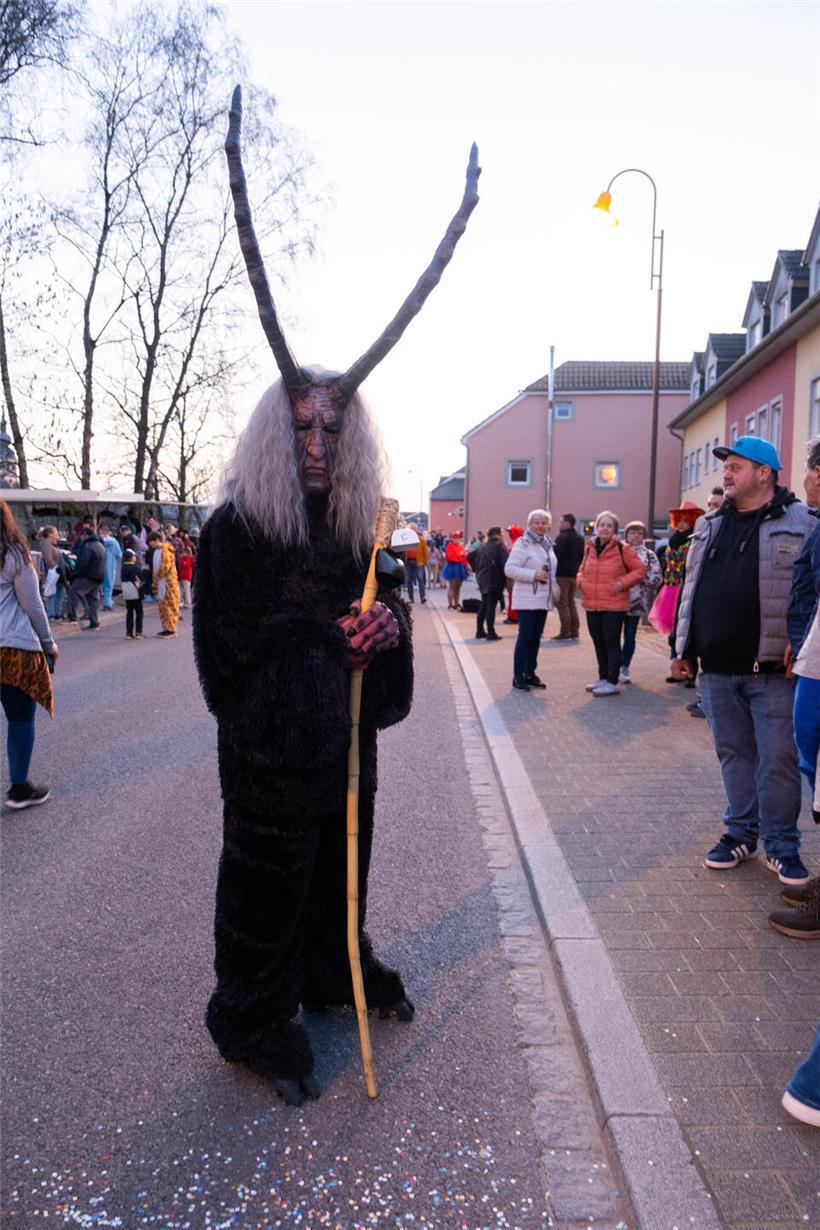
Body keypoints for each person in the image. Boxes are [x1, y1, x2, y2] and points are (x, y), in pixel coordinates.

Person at [193, 374, 414, 1102]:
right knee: (265, 890)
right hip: (271, 758)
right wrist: (331, 648)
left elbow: (389, 613)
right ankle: (252, 1017)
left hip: (350, 750)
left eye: (332, 432)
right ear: (272, 437)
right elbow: (228, 664)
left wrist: (385, 632)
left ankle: (333, 971)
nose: (317, 447)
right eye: (300, 430)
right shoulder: (235, 532)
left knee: (343, 879)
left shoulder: (359, 530)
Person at [670, 436, 815, 886]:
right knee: (733, 754)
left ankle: (781, 845)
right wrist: (683, 650)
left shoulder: (805, 522)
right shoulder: (709, 525)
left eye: (736, 466)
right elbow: (690, 590)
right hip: (715, 667)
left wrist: (805, 641)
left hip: (774, 668)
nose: (726, 473)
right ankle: (740, 833)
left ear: (765, 473)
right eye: (725, 466)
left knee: (778, 759)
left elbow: (813, 591)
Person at [1, 501, 57, 808]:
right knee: (20, 718)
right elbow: (32, 605)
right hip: (12, 648)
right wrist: (48, 643)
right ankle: (19, 788)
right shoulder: (12, 554)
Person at [576, 511, 645, 697]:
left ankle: (613, 681)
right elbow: (581, 570)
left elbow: (640, 570)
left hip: (614, 605)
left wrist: (622, 583)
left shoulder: (623, 549)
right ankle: (603, 677)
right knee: (598, 642)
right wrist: (581, 582)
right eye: (601, 525)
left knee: (611, 642)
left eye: (609, 526)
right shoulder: (589, 547)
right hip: (592, 603)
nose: (604, 528)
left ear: (614, 529)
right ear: (597, 527)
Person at [504, 508, 559, 691]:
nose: (540, 526)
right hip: (527, 598)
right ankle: (518, 675)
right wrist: (534, 574)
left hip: (543, 598)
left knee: (536, 637)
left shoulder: (547, 544)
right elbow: (510, 569)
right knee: (525, 637)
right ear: (530, 525)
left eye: (543, 523)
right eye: (537, 522)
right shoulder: (523, 543)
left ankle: (530, 672)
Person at [618, 520, 661, 684]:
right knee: (612, 636)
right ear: (626, 535)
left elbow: (657, 578)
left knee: (630, 636)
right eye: (632, 532)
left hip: (636, 601)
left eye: (639, 533)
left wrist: (642, 578)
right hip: (615, 600)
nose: (636, 536)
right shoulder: (618, 551)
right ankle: (612, 667)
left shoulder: (649, 555)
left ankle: (624, 666)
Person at [551, 513, 585, 640]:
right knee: (571, 602)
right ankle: (574, 630)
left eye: (560, 522)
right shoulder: (580, 538)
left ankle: (565, 632)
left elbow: (555, 557)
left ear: (567, 523)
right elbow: (582, 556)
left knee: (562, 603)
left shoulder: (562, 538)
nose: (559, 524)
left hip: (562, 574)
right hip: (574, 574)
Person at [67, 525, 106, 628]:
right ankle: (94, 621)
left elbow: (83, 563)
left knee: (73, 592)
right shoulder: (100, 545)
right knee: (92, 599)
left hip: (88, 576)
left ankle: (72, 617)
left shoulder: (87, 546)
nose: (80, 538)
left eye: (82, 535)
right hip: (99, 576)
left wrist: (75, 574)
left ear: (86, 535)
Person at [474, 526, 508, 641]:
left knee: (484, 604)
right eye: (502, 532)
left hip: (482, 578)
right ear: (497, 533)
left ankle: (479, 630)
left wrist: (477, 571)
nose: (503, 534)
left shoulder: (482, 546)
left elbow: (470, 557)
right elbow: (506, 564)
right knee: (491, 606)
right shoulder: (500, 545)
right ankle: (491, 633)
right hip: (495, 578)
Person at [147, 531, 180, 637]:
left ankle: (171, 629)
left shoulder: (165, 550)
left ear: (157, 540)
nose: (150, 545)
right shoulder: (157, 551)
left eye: (151, 542)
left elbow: (165, 567)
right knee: (163, 605)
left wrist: (156, 578)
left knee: (169, 604)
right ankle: (166, 627)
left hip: (168, 583)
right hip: (161, 582)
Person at [39, 526, 67, 620]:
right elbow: (48, 558)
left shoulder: (54, 544)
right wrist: (54, 567)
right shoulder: (46, 544)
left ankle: (57, 613)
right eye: (55, 532)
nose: (57, 533)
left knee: (60, 592)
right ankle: (51, 614)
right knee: (52, 593)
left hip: (59, 572)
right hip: (53, 573)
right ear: (50, 534)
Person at [120, 549, 145, 639]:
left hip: (127, 593)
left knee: (129, 612)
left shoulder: (123, 568)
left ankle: (129, 633)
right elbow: (141, 580)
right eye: (134, 556)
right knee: (139, 612)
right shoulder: (135, 568)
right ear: (131, 558)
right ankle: (139, 632)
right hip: (136, 593)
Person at [442, 532, 469, 609]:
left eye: (459, 538)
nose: (457, 540)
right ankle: (450, 604)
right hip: (453, 567)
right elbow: (449, 557)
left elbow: (464, 557)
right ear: (453, 539)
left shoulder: (460, 547)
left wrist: (466, 565)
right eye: (456, 538)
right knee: (452, 587)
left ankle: (456, 603)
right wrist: (459, 556)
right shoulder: (450, 546)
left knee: (458, 587)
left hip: (461, 567)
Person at [99, 525, 122, 611]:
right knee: (109, 585)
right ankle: (107, 603)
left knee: (100, 586)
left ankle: (105, 603)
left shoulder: (99, 541)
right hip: (111, 565)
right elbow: (119, 554)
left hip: (99, 566)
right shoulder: (114, 542)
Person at [404, 524, 428, 604]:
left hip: (419, 562)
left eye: (414, 529)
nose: (413, 530)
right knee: (408, 580)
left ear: (416, 530)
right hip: (409, 562)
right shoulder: (406, 540)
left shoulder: (421, 540)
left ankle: (423, 597)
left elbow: (425, 552)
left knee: (420, 578)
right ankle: (411, 598)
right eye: (412, 529)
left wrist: (425, 562)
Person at [177, 533, 195, 608]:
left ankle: (187, 602)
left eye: (184, 552)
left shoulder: (190, 559)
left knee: (187, 590)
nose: (182, 553)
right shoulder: (181, 559)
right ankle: (181, 601)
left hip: (187, 577)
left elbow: (186, 565)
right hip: (181, 576)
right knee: (180, 590)